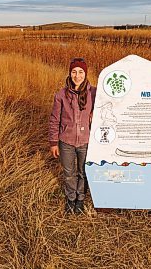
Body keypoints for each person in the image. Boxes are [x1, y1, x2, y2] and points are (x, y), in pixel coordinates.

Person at [49, 58, 96, 214]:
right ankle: (70, 199)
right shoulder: (61, 95)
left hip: (86, 141)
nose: (77, 76)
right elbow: (55, 119)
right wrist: (53, 142)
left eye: (81, 72)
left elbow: (110, 101)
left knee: (83, 172)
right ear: (69, 74)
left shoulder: (93, 93)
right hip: (66, 141)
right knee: (69, 173)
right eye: (74, 72)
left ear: (86, 73)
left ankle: (80, 199)